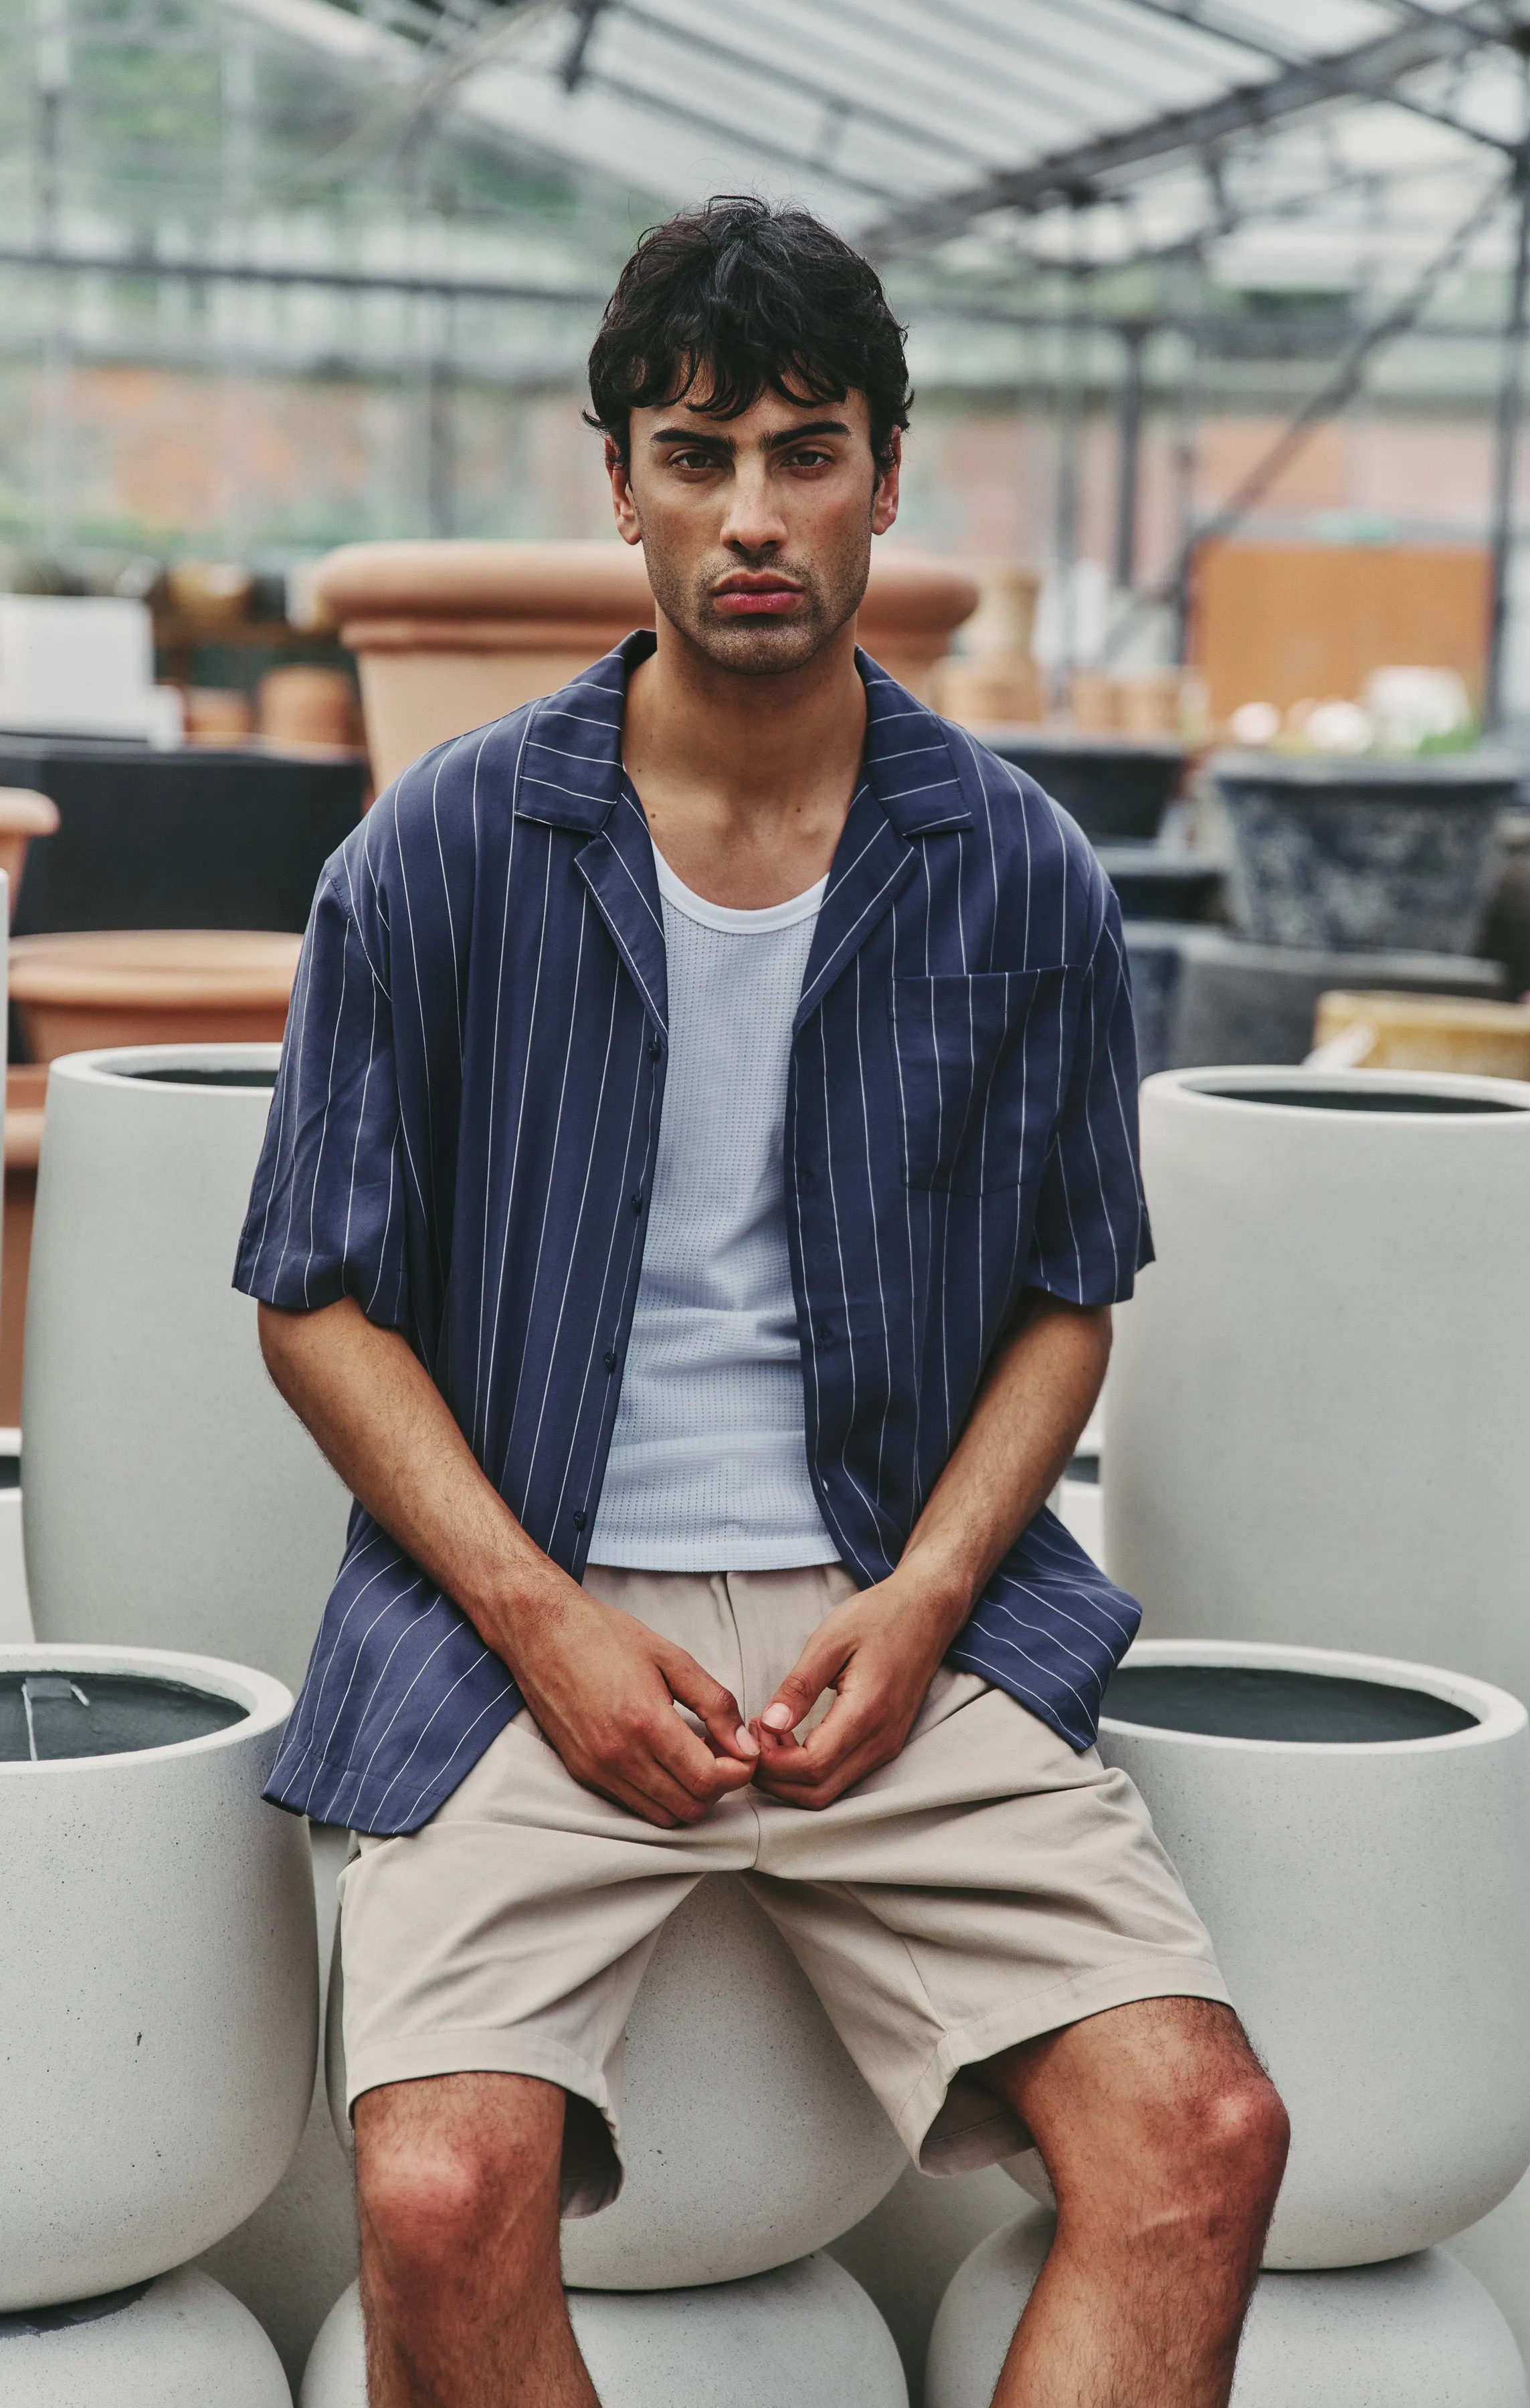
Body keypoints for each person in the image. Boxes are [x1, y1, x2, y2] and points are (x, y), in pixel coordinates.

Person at [237, 196, 1287, 2408]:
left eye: (805, 451)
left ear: (885, 481)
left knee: (1207, 2140)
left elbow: (1071, 1297)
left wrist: (922, 1605)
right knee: (433, 2199)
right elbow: (312, 1299)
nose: (749, 515)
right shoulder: (436, 852)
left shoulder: (1012, 865)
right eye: (697, 451)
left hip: (895, 1598)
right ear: (614, 475)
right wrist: (544, 1625)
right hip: (518, 1609)